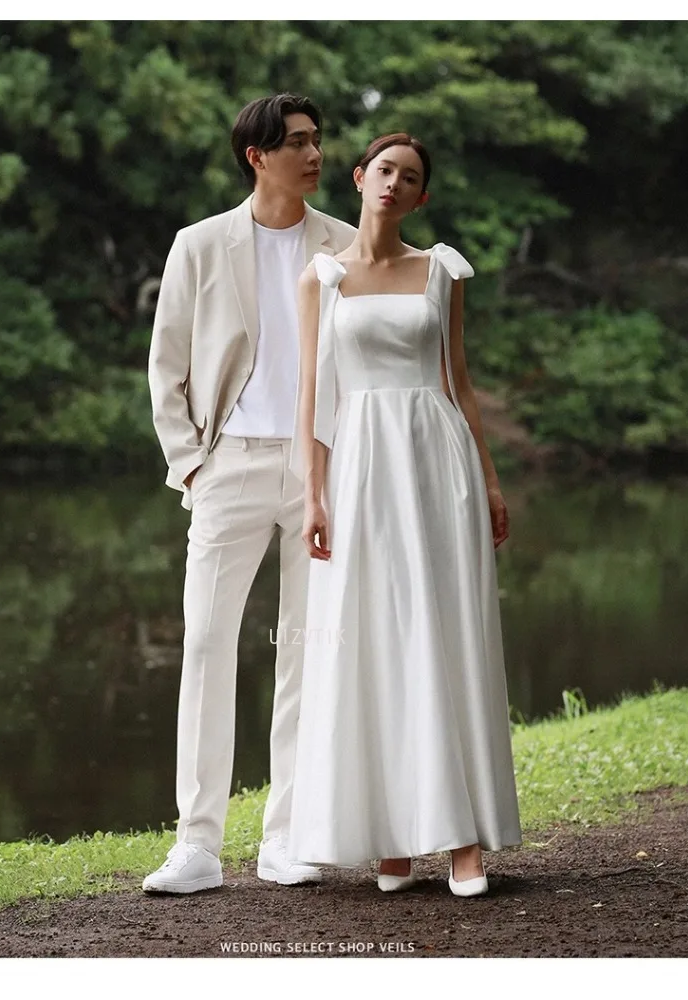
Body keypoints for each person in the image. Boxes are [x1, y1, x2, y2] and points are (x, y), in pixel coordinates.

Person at [287, 133, 522, 895]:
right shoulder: (321, 278)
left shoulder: (441, 270)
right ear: (359, 179)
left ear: (421, 197)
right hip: (358, 470)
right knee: (373, 641)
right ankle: (391, 835)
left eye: (410, 177)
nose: (394, 183)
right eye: (385, 169)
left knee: (444, 635)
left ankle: (461, 841)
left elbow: (458, 380)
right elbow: (313, 398)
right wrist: (313, 494)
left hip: (435, 464)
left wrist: (488, 480)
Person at [143, 94, 356, 894]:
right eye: (297, 143)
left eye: (318, 141)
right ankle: (196, 845)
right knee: (205, 647)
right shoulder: (198, 246)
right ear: (256, 156)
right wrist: (192, 465)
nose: (314, 155)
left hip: (319, 471)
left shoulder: (343, 241)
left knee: (305, 652)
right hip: (227, 464)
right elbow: (167, 367)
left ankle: (286, 838)